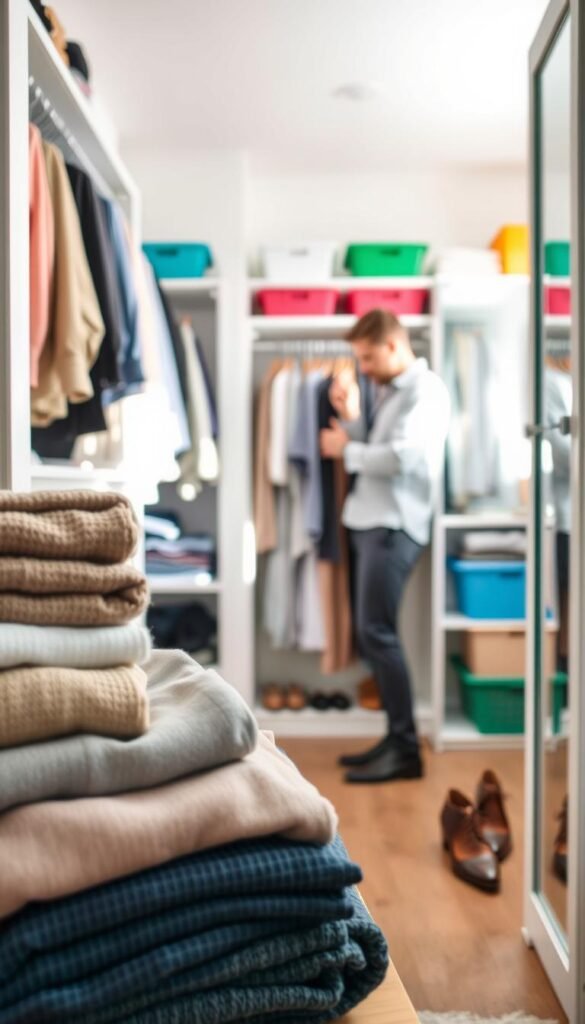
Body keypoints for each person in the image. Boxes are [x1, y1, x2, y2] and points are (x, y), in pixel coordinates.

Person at [320, 309, 450, 783]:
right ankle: (394, 739)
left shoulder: (425, 391)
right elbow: (382, 442)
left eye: (369, 358)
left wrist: (345, 451)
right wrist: (351, 423)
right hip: (373, 521)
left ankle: (405, 749)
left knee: (378, 633)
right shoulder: (389, 391)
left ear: (394, 345)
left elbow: (404, 458)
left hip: (393, 526)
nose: (365, 368)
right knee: (374, 632)